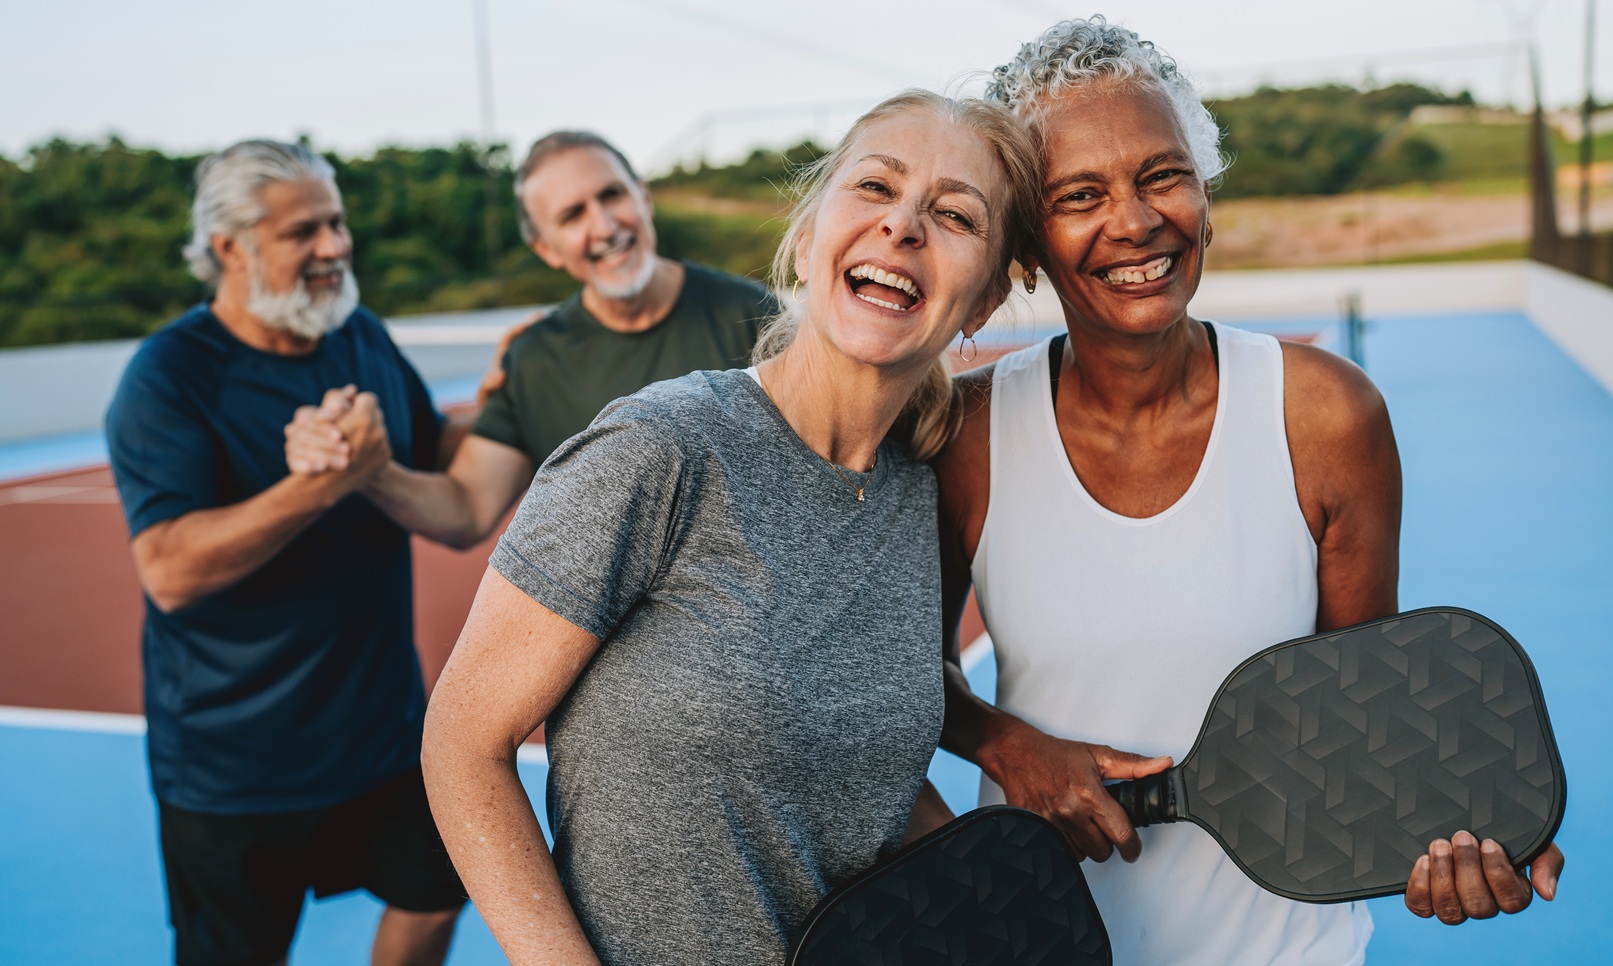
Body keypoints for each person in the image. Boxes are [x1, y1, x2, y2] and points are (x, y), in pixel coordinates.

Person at [933, 17, 1565, 965]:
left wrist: (1459, 838)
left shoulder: (1327, 417)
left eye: (1161, 174)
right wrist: (1002, 743)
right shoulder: (967, 436)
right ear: (1027, 239)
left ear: (1204, 193)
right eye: (1078, 195)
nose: (1136, 221)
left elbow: (1366, 718)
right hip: (1042, 941)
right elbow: (897, 684)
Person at [418, 89, 1041, 965]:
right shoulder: (662, 447)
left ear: (979, 303)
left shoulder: (913, 497)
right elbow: (459, 744)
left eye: (953, 215)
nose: (902, 225)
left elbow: (858, 795)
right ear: (807, 236)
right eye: (874, 188)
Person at [104, 139, 464, 966]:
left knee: (436, 892)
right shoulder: (169, 376)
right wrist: (322, 483)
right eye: (304, 231)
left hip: (381, 735)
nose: (335, 246)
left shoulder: (359, 336)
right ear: (231, 248)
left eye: (336, 223)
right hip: (235, 767)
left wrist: (531, 393)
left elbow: (437, 447)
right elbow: (171, 569)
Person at [285, 131, 774, 549]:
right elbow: (468, 508)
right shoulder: (534, 356)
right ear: (546, 249)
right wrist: (370, 470)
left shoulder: (754, 316)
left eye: (612, 196)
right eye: (572, 216)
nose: (603, 226)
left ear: (643, 198)